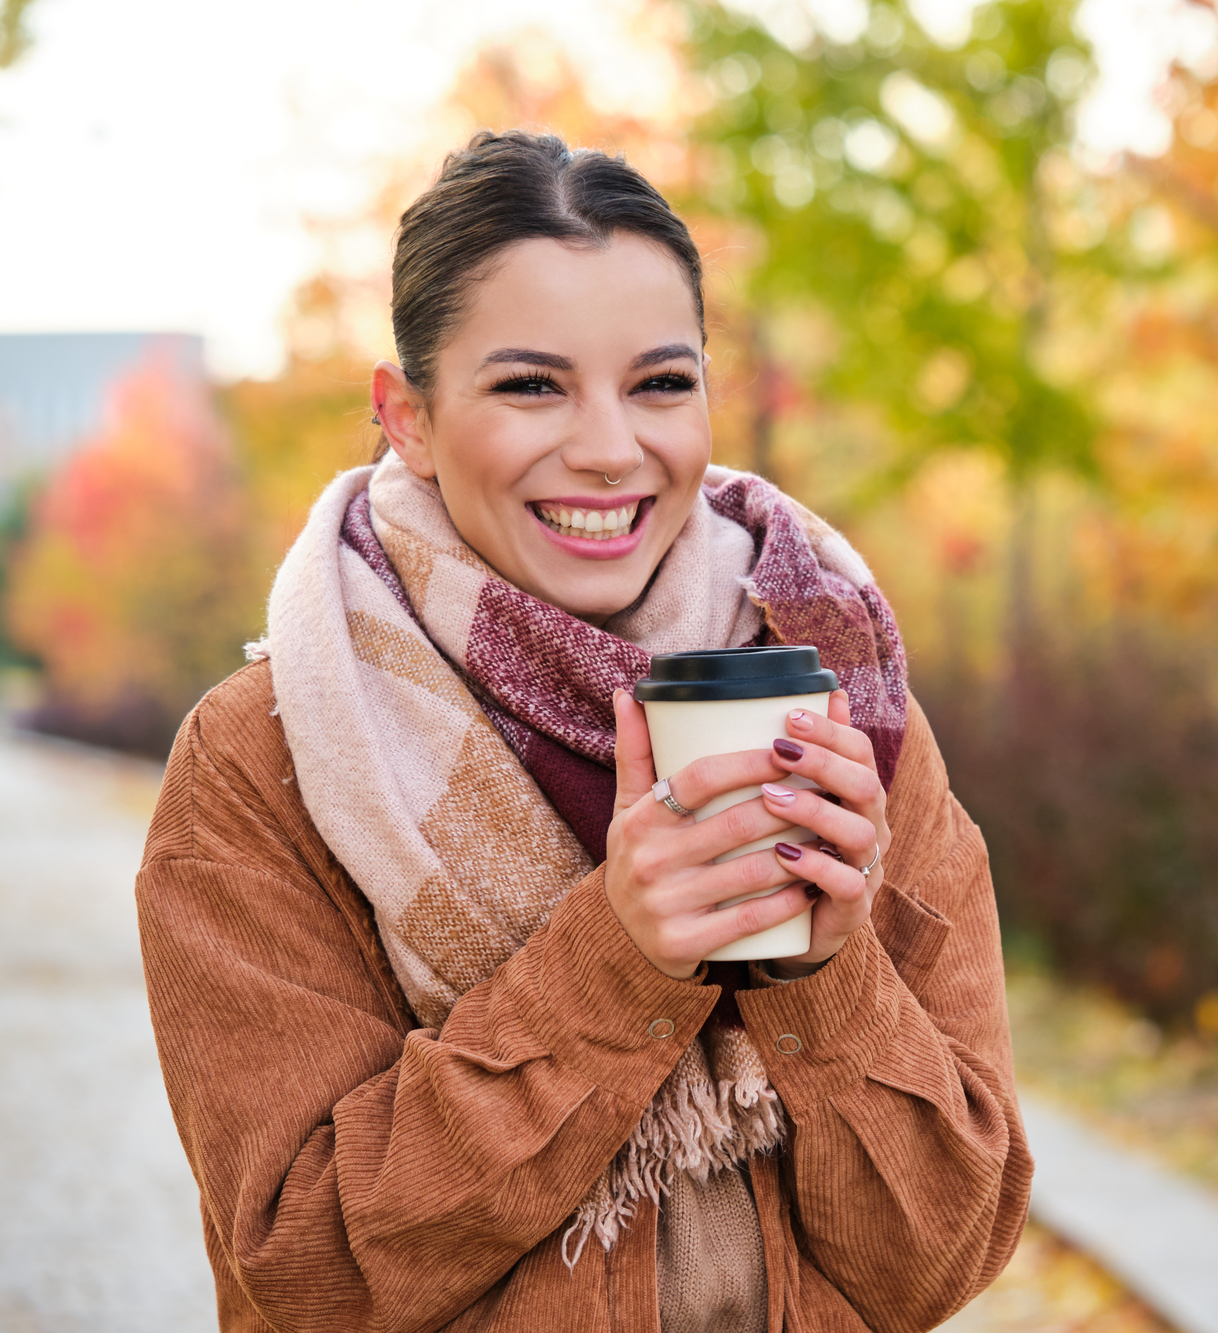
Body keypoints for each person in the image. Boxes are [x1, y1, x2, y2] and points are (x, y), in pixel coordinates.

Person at [136, 130, 1030, 1333]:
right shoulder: (271, 758)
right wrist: (615, 961)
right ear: (405, 415)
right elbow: (306, 1272)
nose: (610, 447)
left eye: (660, 382)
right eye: (529, 385)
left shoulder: (844, 705)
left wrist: (826, 976)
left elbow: (942, 1259)